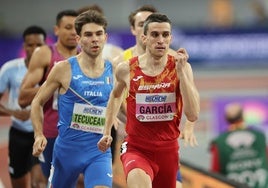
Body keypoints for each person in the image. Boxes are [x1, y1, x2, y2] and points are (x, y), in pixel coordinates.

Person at [98, 13, 200, 188]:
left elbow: (192, 114)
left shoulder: (182, 68)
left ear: (171, 38)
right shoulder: (126, 68)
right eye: (155, 35)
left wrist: (182, 73)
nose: (161, 40)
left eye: (165, 35)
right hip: (136, 148)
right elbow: (115, 96)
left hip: (168, 150)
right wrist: (106, 131)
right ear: (144, 38)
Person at [31, 10, 115, 188]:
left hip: (98, 151)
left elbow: (121, 106)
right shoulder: (64, 69)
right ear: (78, 39)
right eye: (88, 34)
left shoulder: (114, 70)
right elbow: (37, 102)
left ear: (105, 37)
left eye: (99, 34)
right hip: (67, 152)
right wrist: (39, 134)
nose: (94, 39)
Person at [18, 9, 79, 184]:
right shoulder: (46, 54)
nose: (73, 32)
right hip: (52, 133)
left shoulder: (86, 56)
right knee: (50, 182)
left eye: (77, 27)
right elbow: (22, 98)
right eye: (68, 27)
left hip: (81, 132)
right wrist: (54, 85)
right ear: (57, 30)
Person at [0, 25, 47, 188]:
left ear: (45, 47)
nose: (34, 49)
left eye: (39, 45)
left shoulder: (53, 69)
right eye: (30, 45)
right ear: (24, 46)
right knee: (18, 184)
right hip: (18, 135)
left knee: (38, 183)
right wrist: (13, 112)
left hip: (41, 134)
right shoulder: (10, 69)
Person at [210, 102, 268, 188]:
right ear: (243, 116)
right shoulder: (260, 136)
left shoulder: (219, 142)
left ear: (226, 119)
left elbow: (215, 171)